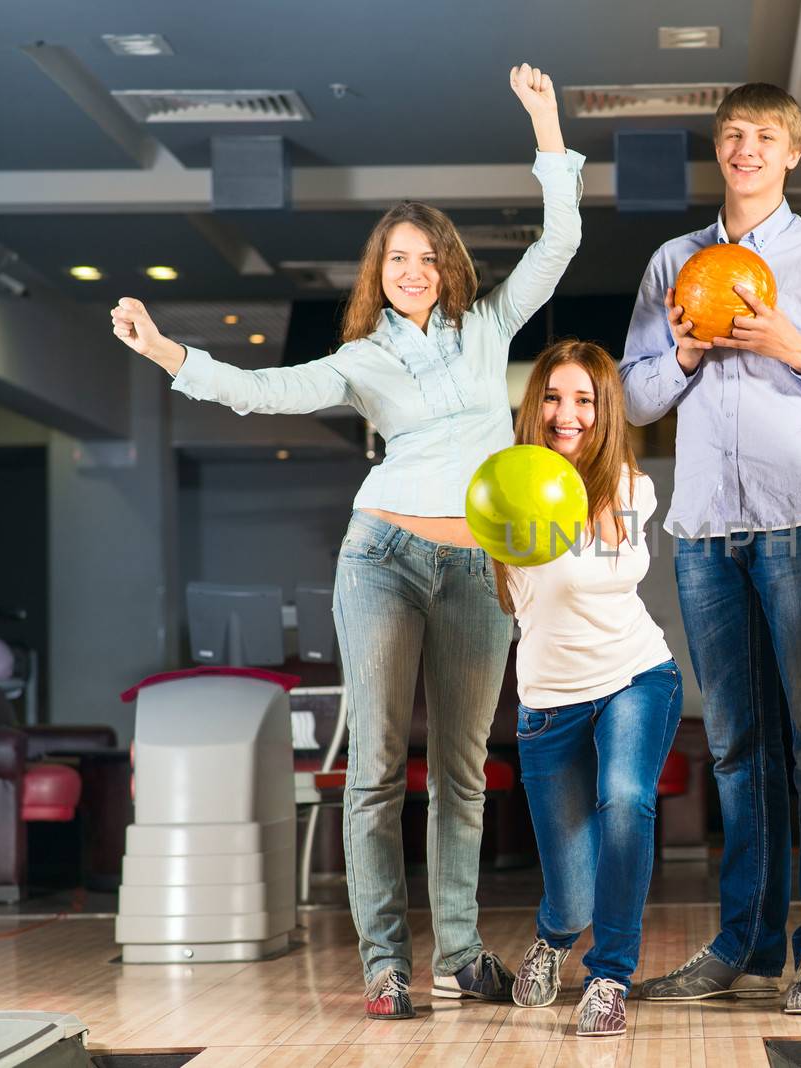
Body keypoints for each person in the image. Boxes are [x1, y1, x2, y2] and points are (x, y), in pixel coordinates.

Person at [108, 64, 583, 1022]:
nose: (413, 270)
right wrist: (170, 354)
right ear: (381, 273)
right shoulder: (364, 361)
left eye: (428, 256)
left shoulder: (491, 327)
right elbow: (269, 390)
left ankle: (457, 953)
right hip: (382, 561)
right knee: (374, 771)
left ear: (451, 264)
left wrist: (546, 126)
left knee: (459, 775)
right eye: (396, 259)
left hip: (477, 570)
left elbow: (562, 238)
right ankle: (384, 967)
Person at [621, 82, 801, 1014]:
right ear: (716, 151)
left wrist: (794, 347)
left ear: (793, 153)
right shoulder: (672, 262)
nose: (746, 149)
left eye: (764, 136)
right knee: (734, 745)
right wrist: (685, 358)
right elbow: (637, 399)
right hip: (703, 531)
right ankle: (746, 944)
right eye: (732, 135)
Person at [495, 339, 682, 1038]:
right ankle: (554, 934)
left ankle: (609, 977)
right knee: (571, 896)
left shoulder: (631, 489)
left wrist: (571, 503)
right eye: (551, 396)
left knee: (627, 799)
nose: (565, 413)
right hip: (548, 702)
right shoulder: (502, 489)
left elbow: (607, 569)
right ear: (533, 406)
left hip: (634, 675)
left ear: (604, 412)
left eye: (583, 400)